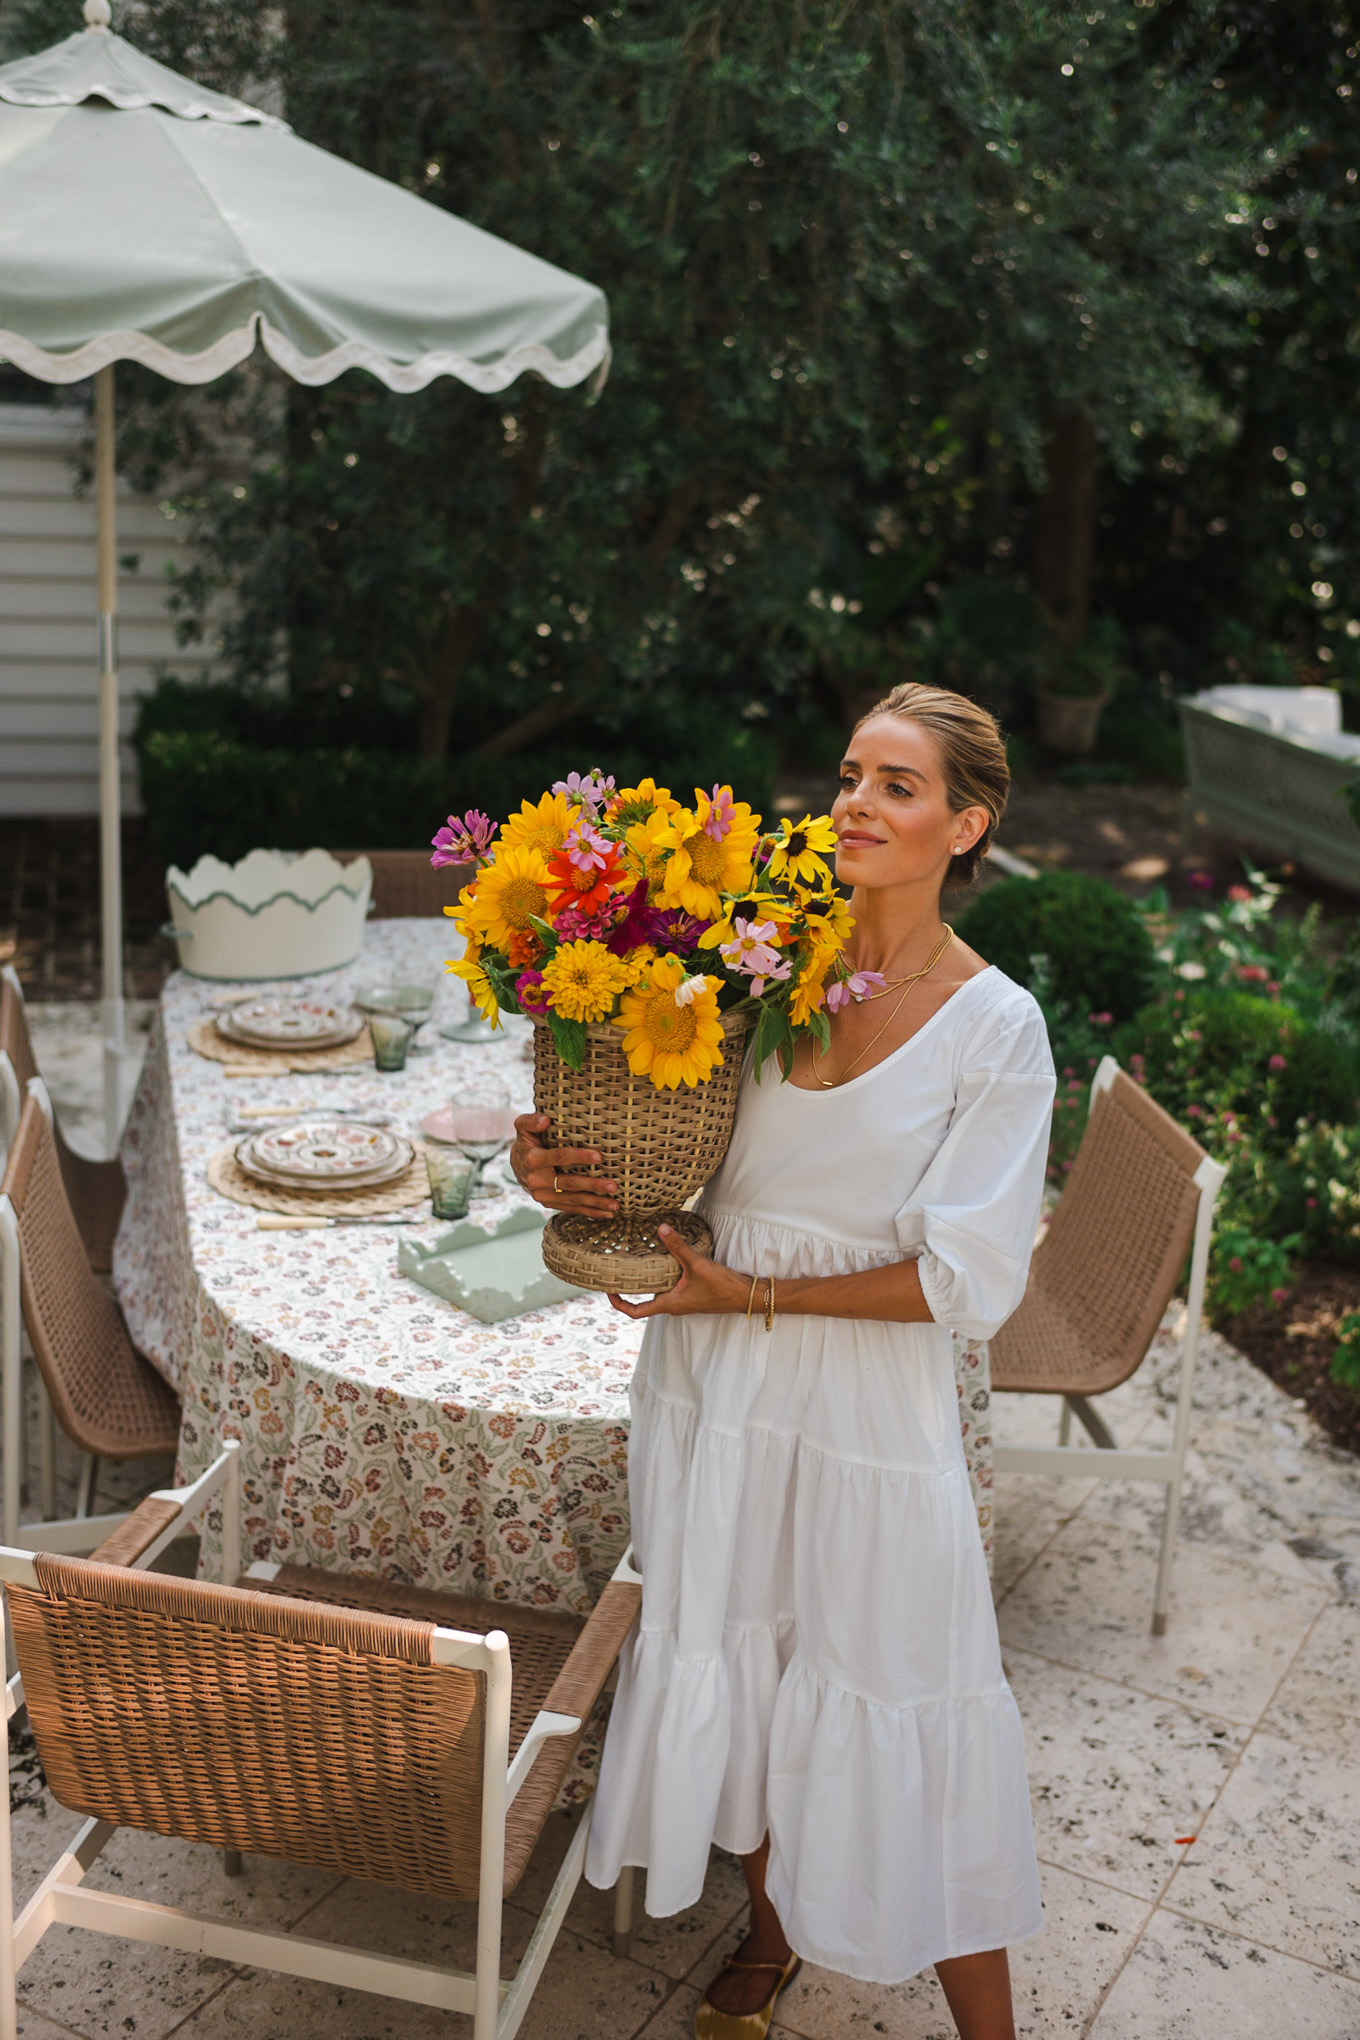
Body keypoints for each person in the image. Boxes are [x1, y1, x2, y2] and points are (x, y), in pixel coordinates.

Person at [510, 684, 1055, 2040]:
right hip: (717, 1388)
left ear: (965, 824)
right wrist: (554, 1171)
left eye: (899, 785)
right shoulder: (755, 963)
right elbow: (658, 1138)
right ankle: (769, 1934)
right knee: (748, 1672)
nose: (856, 804)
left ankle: (991, 2027)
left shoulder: (999, 1029)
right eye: (850, 775)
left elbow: (968, 1278)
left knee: (904, 1686)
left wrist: (745, 1286)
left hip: (870, 1409)